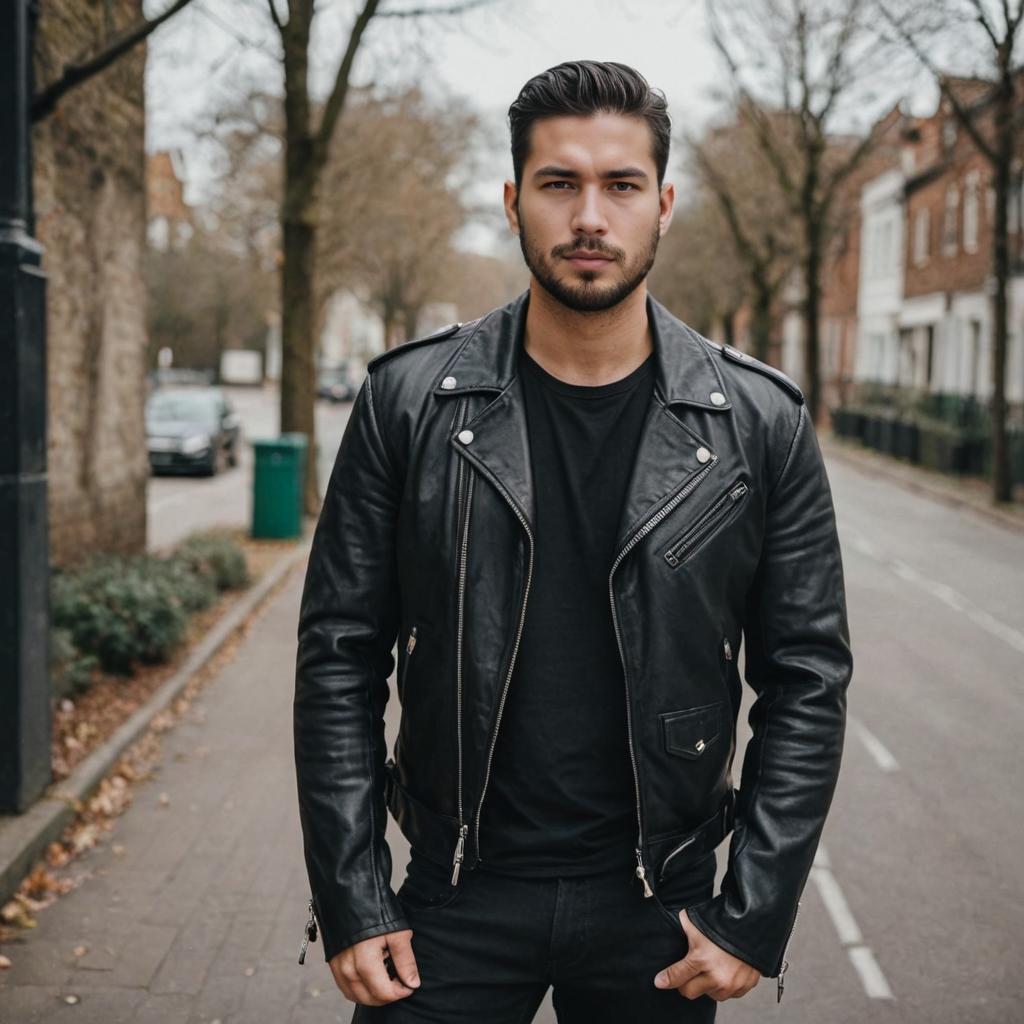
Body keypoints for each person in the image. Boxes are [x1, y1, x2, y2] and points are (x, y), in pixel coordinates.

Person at [293, 59, 853, 1023]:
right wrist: (352, 897)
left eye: (621, 185)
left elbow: (807, 677)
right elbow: (338, 658)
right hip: (449, 901)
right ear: (513, 200)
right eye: (559, 184)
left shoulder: (759, 423)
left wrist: (751, 914)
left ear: (664, 203)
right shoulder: (408, 403)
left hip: (661, 913)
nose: (589, 216)